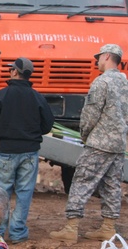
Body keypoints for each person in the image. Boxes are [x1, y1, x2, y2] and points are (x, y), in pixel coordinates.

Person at [50, 44, 128, 243]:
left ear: (108, 56)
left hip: (99, 143)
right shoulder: (124, 81)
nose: (97, 61)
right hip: (119, 144)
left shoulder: (101, 82)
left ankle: (71, 228)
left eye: (99, 57)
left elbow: (90, 115)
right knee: (112, 185)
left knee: (81, 182)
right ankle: (108, 227)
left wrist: (84, 135)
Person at [0, 57, 54, 244]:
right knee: (24, 192)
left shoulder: (1, 95)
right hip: (30, 152)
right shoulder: (37, 97)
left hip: (6, 150)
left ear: (15, 72)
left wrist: (3, 133)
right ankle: (17, 232)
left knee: (0, 193)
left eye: (10, 69)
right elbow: (47, 125)